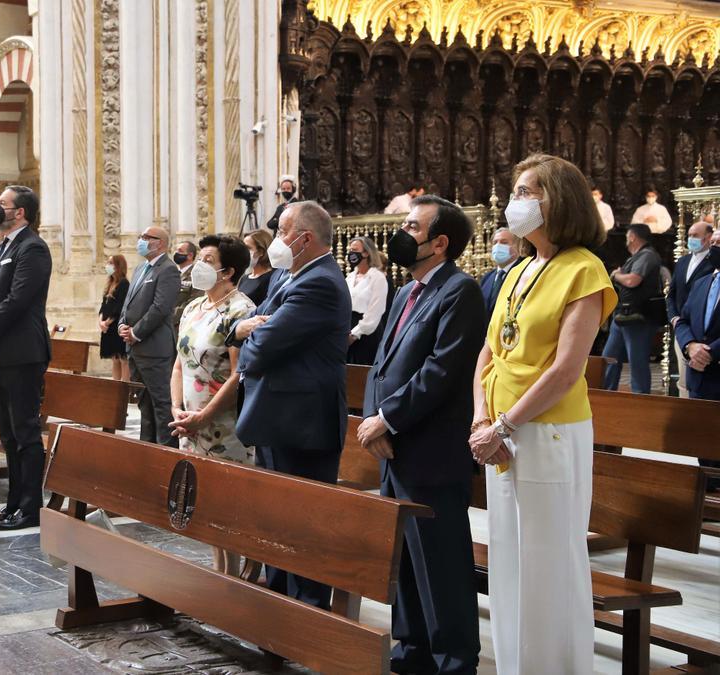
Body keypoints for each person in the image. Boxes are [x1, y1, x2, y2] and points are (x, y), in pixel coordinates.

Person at [470, 153, 616, 675]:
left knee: (549, 563)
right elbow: (488, 354)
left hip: (548, 431)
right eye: (518, 191)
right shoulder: (518, 270)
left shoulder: (584, 270)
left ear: (562, 200)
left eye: (530, 191)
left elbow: (564, 370)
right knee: (508, 560)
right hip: (502, 435)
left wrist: (504, 424)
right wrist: (480, 422)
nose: (517, 202)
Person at [357, 196, 485, 674]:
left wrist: (386, 419)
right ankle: (410, 655)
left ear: (440, 241)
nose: (401, 232)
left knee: (441, 568)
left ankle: (453, 662)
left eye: (411, 225)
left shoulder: (459, 291)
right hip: (395, 447)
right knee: (405, 565)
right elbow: (382, 366)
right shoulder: (410, 288)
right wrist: (374, 423)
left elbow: (442, 370)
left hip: (431, 451)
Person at [232, 201, 351, 609]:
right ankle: (280, 616)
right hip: (278, 418)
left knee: (302, 530)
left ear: (305, 238)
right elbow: (248, 324)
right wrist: (244, 328)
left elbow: (261, 347)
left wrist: (248, 337)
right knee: (277, 525)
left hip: (302, 424)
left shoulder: (319, 282)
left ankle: (308, 619)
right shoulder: (289, 275)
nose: (277, 241)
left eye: (283, 232)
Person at [170, 234, 255, 572]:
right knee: (203, 502)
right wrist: (177, 408)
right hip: (189, 421)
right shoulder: (194, 306)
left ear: (227, 271)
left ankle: (232, 577)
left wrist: (204, 415)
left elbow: (239, 374)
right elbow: (178, 362)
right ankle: (220, 574)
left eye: (207, 260)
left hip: (222, 423)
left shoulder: (241, 309)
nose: (199, 266)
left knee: (228, 505)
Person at [0, 186, 52, 531]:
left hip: (21, 352)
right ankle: (13, 502)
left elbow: (18, 300)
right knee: (7, 431)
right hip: (0, 351)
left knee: (24, 431)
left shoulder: (32, 247)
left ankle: (31, 507)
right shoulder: (5, 245)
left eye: (2, 205)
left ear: (19, 212)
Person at [119, 225, 181, 447]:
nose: (142, 240)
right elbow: (128, 303)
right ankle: (147, 448)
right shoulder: (140, 269)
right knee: (144, 403)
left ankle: (166, 451)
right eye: (141, 236)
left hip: (154, 348)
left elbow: (160, 308)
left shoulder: (168, 269)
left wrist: (136, 332)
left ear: (161, 243)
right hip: (135, 349)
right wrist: (122, 326)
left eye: (147, 237)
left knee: (161, 404)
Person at [676, 239, 720, 488]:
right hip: (700, 378)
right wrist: (690, 346)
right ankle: (708, 502)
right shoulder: (704, 282)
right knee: (703, 443)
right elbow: (683, 320)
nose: (714, 245)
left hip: (716, 368)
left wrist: (709, 352)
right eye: (714, 240)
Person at [603, 223, 663, 394]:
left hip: (638, 317)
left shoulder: (647, 256)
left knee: (637, 361)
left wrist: (616, 275)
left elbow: (632, 280)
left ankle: (640, 398)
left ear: (632, 237)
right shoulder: (635, 257)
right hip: (622, 316)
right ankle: (606, 393)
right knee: (609, 358)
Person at [668, 222, 716, 397]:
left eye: (695, 235)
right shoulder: (683, 261)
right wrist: (674, 318)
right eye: (689, 234)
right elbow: (671, 293)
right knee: (684, 379)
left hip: (704, 332)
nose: (691, 239)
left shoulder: (713, 262)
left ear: (708, 238)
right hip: (682, 327)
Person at [345, 236, 390, 365]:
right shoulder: (350, 277)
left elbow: (375, 310)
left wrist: (355, 334)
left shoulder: (377, 277)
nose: (351, 253)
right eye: (350, 250)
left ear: (366, 253)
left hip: (367, 333)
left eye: (355, 250)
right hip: (348, 327)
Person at [98, 254, 130, 381]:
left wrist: (107, 322)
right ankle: (115, 385)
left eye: (111, 263)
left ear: (118, 266)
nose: (108, 265)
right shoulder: (110, 283)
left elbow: (120, 306)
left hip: (117, 326)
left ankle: (124, 388)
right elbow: (104, 305)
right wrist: (100, 321)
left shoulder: (124, 284)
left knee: (123, 359)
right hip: (108, 328)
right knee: (114, 359)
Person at [480, 227, 522, 314]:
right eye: (495, 242)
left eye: (504, 242)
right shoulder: (487, 278)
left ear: (518, 246)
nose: (498, 246)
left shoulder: (523, 272)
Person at [172, 241, 204, 331]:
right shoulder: (171, 272)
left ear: (190, 255)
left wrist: (170, 316)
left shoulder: (197, 275)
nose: (176, 254)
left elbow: (194, 302)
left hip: (181, 325)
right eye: (175, 251)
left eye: (180, 251)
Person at [238, 229, 274, 307]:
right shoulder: (244, 278)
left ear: (261, 252)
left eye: (248, 248)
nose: (243, 252)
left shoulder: (272, 277)